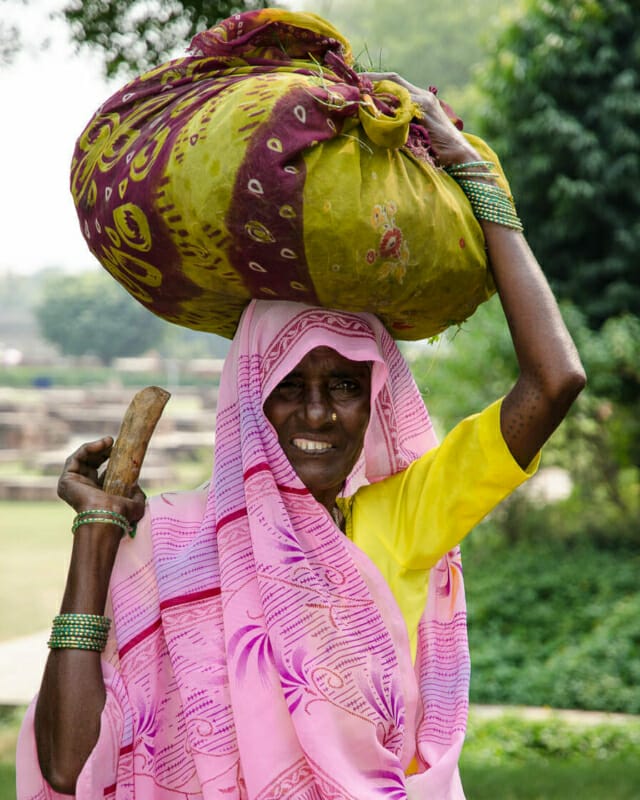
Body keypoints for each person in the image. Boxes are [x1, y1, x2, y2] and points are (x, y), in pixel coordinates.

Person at [17, 75, 585, 800]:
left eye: (345, 386)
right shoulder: (172, 543)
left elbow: (555, 381)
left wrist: (470, 169)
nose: (318, 413)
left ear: (375, 399)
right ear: (250, 400)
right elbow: (68, 766)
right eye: (290, 386)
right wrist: (95, 539)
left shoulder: (402, 519)